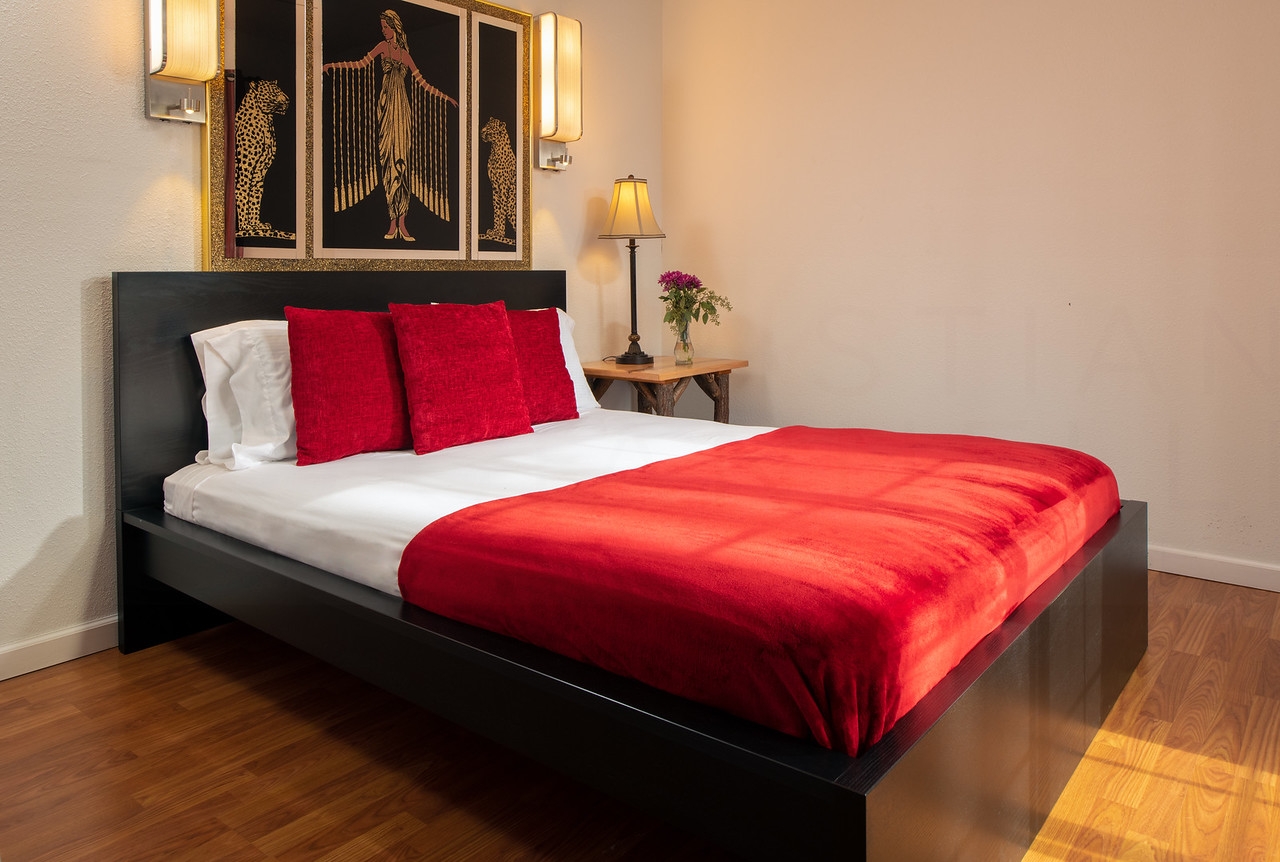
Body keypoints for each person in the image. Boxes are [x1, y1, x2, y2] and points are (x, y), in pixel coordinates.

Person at [323, 10, 457, 241]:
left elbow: (422, 83)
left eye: (386, 27)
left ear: (394, 27)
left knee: (402, 162)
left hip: (401, 110)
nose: (383, 31)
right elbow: (359, 64)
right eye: (382, 27)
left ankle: (402, 222)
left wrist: (444, 98)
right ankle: (391, 220)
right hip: (386, 108)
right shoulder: (381, 48)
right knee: (388, 161)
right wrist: (335, 65)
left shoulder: (404, 54)